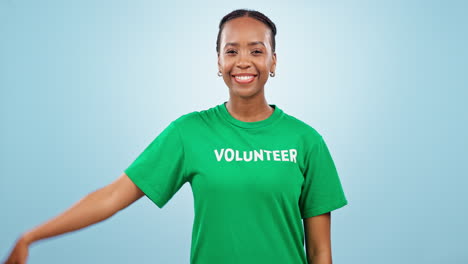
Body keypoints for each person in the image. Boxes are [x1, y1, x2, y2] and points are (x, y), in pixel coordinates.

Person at [3, 8, 348, 264]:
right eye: (231, 51)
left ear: (273, 61)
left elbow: (320, 251)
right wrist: (32, 236)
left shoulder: (306, 141)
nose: (243, 61)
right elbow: (112, 196)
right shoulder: (189, 133)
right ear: (218, 62)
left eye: (257, 51)